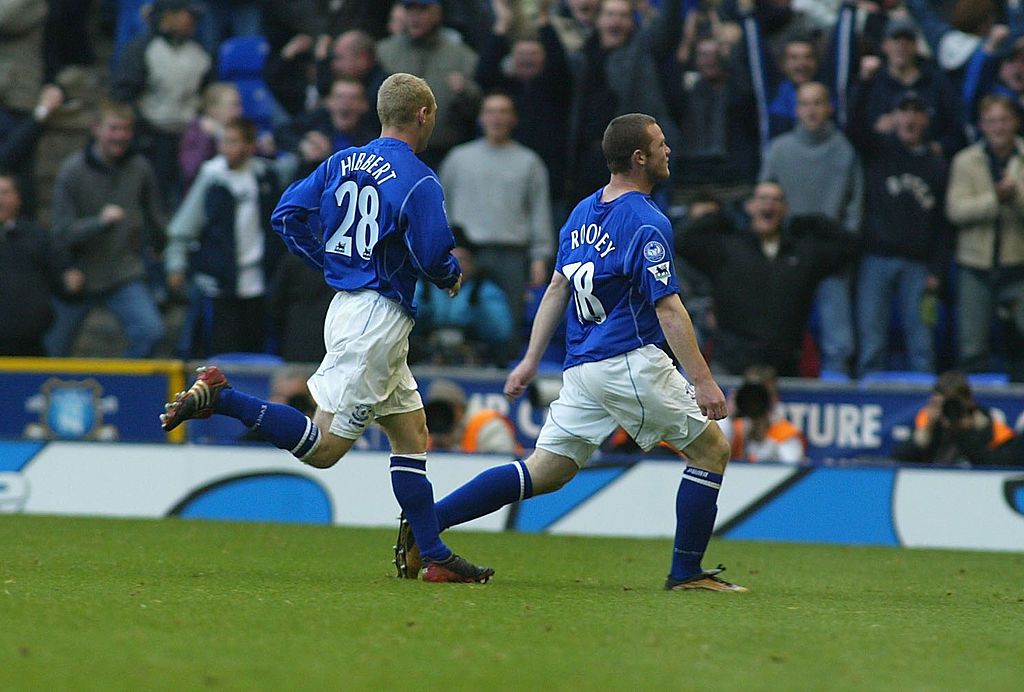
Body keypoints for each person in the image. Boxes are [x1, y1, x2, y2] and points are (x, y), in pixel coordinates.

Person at [160, 73, 494, 585]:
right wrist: (450, 276)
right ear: (424, 114)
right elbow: (433, 256)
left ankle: (432, 553)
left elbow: (287, 214)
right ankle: (223, 397)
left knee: (412, 433)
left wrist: (329, 258)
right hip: (376, 320)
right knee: (325, 449)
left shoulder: (343, 161)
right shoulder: (420, 178)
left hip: (350, 307)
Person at [396, 113, 747, 593]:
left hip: (583, 367)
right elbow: (668, 310)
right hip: (629, 360)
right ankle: (686, 572)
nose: (670, 152)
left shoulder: (582, 213)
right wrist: (704, 381)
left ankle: (427, 523)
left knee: (546, 471)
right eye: (662, 144)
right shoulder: (647, 220)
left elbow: (558, 288)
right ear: (639, 157)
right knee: (711, 451)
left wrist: (530, 358)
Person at [676, 182, 859, 377]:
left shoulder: (803, 252)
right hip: (731, 366)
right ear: (750, 206)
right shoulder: (726, 248)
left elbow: (851, 247)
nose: (769, 205)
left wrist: (812, 222)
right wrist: (725, 216)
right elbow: (682, 240)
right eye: (763, 199)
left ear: (785, 209)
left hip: (784, 370)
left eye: (777, 200)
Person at [46, 99, 167, 359]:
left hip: (123, 272)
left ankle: (121, 389)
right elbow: (61, 233)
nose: (121, 136)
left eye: (126, 129)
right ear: (96, 130)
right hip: (79, 274)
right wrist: (99, 223)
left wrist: (160, 245)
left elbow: (155, 215)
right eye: (114, 128)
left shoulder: (140, 168)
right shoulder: (72, 171)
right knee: (52, 348)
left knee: (151, 331)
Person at [439, 91, 553, 360]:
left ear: (513, 118)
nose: (497, 117)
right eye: (491, 111)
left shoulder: (529, 162)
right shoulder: (458, 159)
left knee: (508, 324)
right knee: (456, 316)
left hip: (511, 253)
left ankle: (506, 382)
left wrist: (540, 256)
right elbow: (442, 206)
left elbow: (539, 211)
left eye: (503, 111)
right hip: (465, 252)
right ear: (481, 118)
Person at [760, 81, 862, 376]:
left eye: (818, 103)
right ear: (796, 109)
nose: (812, 110)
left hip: (832, 254)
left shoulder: (844, 150)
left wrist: (845, 244)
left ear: (829, 107)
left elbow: (855, 207)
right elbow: (765, 196)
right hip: (789, 252)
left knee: (837, 336)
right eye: (805, 103)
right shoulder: (779, 150)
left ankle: (837, 385)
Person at [847, 89, 950, 376]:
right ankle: (870, 400)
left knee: (922, 343)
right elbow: (852, 127)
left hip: (919, 264)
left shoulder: (936, 164)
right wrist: (865, 83)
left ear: (926, 120)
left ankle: (927, 412)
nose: (910, 117)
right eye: (904, 110)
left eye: (917, 111)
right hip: (875, 258)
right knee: (872, 342)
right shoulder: (880, 151)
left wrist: (937, 270)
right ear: (894, 117)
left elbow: (943, 224)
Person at [165, 117, 284, 356]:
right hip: (220, 283)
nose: (226, 148)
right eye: (224, 142)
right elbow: (185, 225)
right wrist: (176, 264)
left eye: (233, 142)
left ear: (250, 146)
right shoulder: (212, 177)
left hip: (259, 281)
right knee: (222, 352)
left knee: (256, 350)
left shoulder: (265, 176)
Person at [946, 94, 1024, 381]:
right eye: (991, 121)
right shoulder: (966, 161)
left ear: (1015, 122)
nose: (998, 127)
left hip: (1018, 267)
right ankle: (972, 411)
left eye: (1004, 120)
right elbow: (955, 211)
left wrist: (1015, 196)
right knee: (972, 347)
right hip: (975, 266)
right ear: (981, 125)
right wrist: (994, 200)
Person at [0, 174, 82, 356]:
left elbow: (60, 277)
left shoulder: (37, 236)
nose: (0, 199)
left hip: (29, 344)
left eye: (5, 193)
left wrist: (70, 282)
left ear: (18, 198)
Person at [412, 225, 514, 367]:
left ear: (473, 264)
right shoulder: (422, 288)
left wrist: (479, 309)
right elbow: (403, 322)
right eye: (450, 259)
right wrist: (422, 309)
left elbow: (501, 332)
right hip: (427, 360)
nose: (456, 266)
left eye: (463, 260)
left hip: (474, 362)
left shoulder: (485, 290)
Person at [892, 370, 1017, 465]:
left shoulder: (983, 420)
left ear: (970, 401)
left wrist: (975, 432)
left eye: (954, 404)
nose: (949, 410)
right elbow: (898, 459)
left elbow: (1003, 463)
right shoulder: (928, 418)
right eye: (943, 404)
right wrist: (923, 435)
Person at [719, 365, 806, 463]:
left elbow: (790, 469)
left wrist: (764, 437)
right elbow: (713, 453)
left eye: (762, 396)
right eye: (751, 395)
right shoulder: (734, 428)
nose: (755, 402)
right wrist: (727, 416)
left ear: (774, 398)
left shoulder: (785, 432)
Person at [422, 378, 519, 454]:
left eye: (444, 409)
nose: (440, 416)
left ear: (460, 408)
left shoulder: (487, 426)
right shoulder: (429, 435)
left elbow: (503, 465)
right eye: (435, 411)